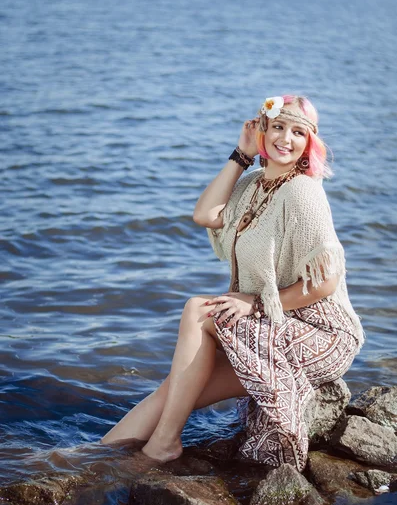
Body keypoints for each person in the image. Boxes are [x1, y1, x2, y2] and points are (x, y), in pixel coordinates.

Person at [101, 94, 364, 472]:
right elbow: (205, 214)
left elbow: (325, 284)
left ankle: (163, 444)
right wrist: (240, 157)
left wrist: (255, 304)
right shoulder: (254, 184)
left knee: (197, 310)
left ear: (309, 142)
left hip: (321, 330)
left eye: (297, 132)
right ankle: (95, 456)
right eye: (277, 127)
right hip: (277, 321)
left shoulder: (304, 191)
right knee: (176, 389)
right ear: (261, 129)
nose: (285, 139)